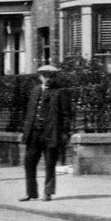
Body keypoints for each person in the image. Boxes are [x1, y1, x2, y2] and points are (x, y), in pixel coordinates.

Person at [21, 64, 71, 202]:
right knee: (29, 163)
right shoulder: (35, 90)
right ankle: (31, 193)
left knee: (50, 164)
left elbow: (66, 115)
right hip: (34, 134)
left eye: (50, 76)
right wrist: (26, 132)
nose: (47, 79)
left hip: (51, 133)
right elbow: (30, 113)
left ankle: (48, 192)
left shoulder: (60, 92)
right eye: (45, 76)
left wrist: (65, 134)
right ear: (40, 77)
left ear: (54, 77)